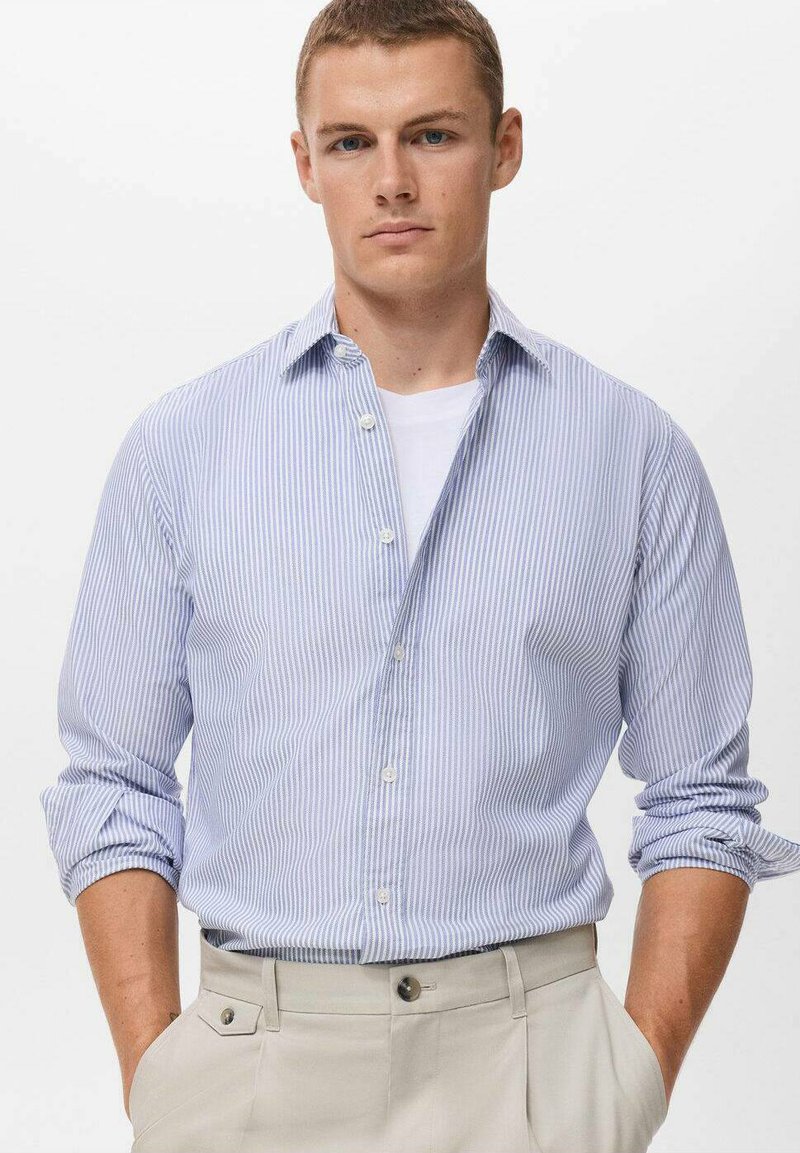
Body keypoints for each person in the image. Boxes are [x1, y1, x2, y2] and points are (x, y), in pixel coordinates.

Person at [39, 2, 800, 1151]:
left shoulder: (629, 455)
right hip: (249, 1069)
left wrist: (630, 1071)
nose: (390, 180)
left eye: (432, 135)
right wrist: (160, 1074)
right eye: (351, 142)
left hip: (533, 1065)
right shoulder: (183, 450)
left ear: (504, 146)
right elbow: (114, 782)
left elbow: (700, 796)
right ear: (305, 164)